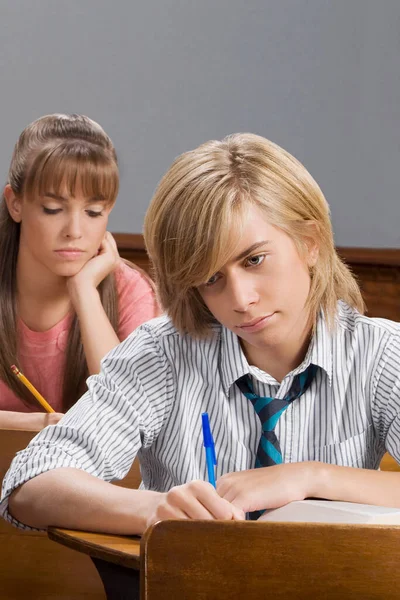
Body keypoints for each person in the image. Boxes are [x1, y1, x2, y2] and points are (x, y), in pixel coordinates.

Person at [2, 133, 400, 534]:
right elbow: (30, 484)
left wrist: (314, 478)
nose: (240, 299)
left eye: (255, 259)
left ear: (310, 243)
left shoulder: (381, 353)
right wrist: (157, 510)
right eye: (211, 278)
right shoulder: (161, 353)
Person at [0, 114, 158, 431]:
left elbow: (132, 417)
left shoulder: (132, 291)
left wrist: (85, 292)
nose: (74, 231)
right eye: (53, 209)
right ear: (15, 203)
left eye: (93, 212)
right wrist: (31, 425)